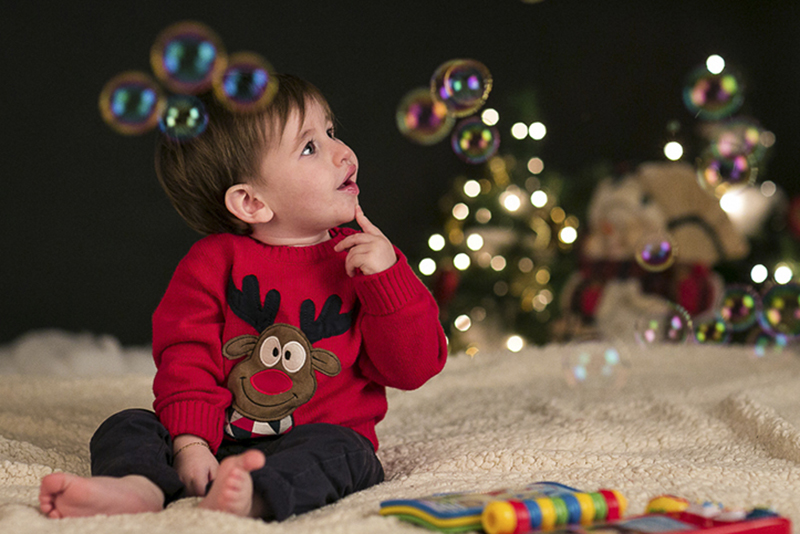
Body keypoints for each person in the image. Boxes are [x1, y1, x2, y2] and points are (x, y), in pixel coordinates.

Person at [39, 73, 448, 521]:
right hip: (217, 438)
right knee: (126, 425)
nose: (343, 152)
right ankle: (137, 488)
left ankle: (253, 496)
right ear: (251, 203)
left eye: (331, 132)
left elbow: (413, 369)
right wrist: (191, 444)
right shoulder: (212, 263)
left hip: (319, 436)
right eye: (310, 147)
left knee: (348, 454)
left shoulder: (368, 262)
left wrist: (389, 282)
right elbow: (187, 356)